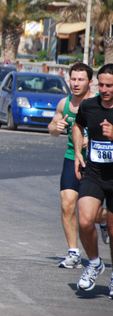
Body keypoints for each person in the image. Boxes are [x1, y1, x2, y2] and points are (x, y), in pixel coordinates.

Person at [48, 63, 108, 269]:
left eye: (80, 79)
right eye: (73, 79)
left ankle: (104, 221)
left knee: (92, 213)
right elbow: (52, 128)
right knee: (67, 202)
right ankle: (73, 253)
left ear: (89, 82)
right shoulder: (65, 103)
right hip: (71, 157)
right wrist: (56, 127)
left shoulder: (98, 103)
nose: (76, 83)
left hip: (95, 162)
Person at [73, 63, 113, 294]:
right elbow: (77, 126)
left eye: (110, 85)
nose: (105, 89)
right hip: (94, 172)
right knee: (85, 220)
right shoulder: (89, 106)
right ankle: (95, 263)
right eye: (102, 85)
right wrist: (78, 152)